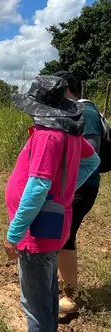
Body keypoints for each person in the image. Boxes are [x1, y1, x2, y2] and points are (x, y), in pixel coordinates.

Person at [4, 76, 100, 332]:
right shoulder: (70, 136)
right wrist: (66, 191)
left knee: (35, 304)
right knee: (46, 297)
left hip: (36, 232)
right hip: (54, 226)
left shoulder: (48, 136)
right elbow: (91, 161)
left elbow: (37, 187)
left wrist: (14, 233)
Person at [53, 71, 102, 315]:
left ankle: (68, 295)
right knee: (61, 233)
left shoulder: (86, 112)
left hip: (81, 185)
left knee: (66, 235)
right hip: (70, 185)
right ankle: (61, 287)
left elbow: (91, 151)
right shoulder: (72, 111)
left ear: (65, 89)